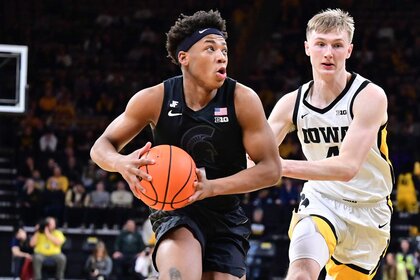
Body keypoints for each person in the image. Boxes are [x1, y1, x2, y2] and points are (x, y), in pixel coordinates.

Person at [90, 9, 281, 280]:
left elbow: (271, 170)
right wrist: (121, 163)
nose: (221, 55)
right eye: (210, 48)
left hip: (226, 215)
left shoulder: (243, 100)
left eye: (224, 50)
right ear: (184, 58)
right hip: (175, 209)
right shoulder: (155, 98)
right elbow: (100, 147)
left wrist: (211, 187)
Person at [267, 8, 394, 280]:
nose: (328, 53)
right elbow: (253, 156)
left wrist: (277, 166)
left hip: (369, 208)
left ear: (349, 50)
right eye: (321, 44)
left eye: (337, 45)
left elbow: (347, 167)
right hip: (321, 200)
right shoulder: (291, 103)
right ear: (306, 48)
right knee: (301, 272)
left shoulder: (369, 96)